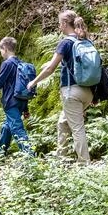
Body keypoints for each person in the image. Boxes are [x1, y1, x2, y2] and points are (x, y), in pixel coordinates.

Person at [27, 9, 91, 162]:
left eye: (59, 23)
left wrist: (33, 82)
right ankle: (62, 159)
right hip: (88, 91)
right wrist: (49, 63)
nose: (59, 26)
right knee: (63, 123)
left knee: (77, 129)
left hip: (72, 92)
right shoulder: (84, 40)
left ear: (64, 23)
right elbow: (69, 62)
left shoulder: (66, 42)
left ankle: (85, 165)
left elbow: (51, 69)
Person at [0, 36, 33, 157]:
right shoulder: (21, 63)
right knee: (7, 127)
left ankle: (30, 157)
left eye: (1, 50)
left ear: (4, 48)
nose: (1, 53)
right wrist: (25, 108)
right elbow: (23, 87)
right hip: (21, 101)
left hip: (11, 102)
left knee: (17, 128)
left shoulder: (7, 64)